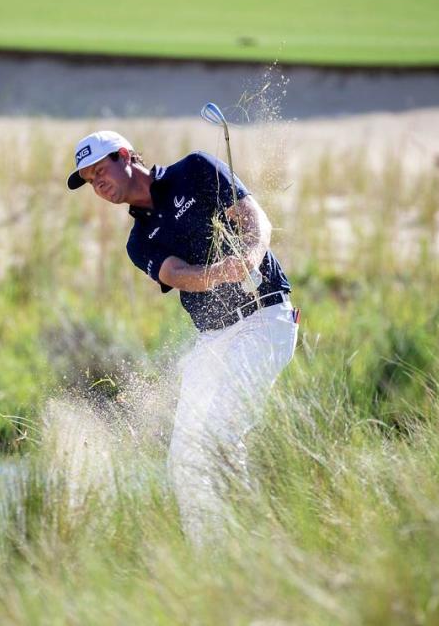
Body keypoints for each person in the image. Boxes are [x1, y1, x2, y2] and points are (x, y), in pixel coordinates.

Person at [66, 130, 299, 545]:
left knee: (222, 436)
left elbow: (255, 220)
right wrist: (217, 275)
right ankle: (210, 559)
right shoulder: (138, 241)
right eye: (89, 179)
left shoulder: (196, 169)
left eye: (101, 170)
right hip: (214, 339)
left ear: (126, 156)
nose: (98, 184)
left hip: (265, 320)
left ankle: (256, 541)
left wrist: (248, 255)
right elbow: (174, 274)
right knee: (184, 458)